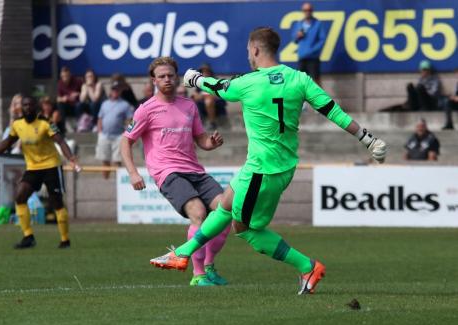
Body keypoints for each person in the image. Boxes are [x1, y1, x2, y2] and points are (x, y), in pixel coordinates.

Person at [150, 27, 387, 294]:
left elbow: (219, 86)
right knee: (225, 204)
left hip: (263, 171)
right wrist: (368, 139)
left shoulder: (249, 82)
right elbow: (333, 111)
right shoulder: (300, 79)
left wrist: (194, 79)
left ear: (255, 49)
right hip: (279, 166)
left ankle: (307, 266)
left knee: (245, 229)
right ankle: (181, 254)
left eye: (249, 51)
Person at [122, 57, 231, 286]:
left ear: (177, 77)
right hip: (167, 172)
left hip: (195, 170)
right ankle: (198, 275)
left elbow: (200, 138)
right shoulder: (146, 109)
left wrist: (211, 142)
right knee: (198, 213)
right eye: (161, 76)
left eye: (170, 75)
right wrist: (133, 172)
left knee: (226, 211)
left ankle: (209, 266)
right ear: (154, 80)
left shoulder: (189, 105)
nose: (167, 79)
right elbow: (126, 141)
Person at [0, 96, 80, 249]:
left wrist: (70, 157)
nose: (28, 107)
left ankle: (65, 240)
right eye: (25, 105)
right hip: (33, 168)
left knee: (56, 202)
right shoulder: (17, 124)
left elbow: (61, 141)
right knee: (20, 196)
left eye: (30, 104)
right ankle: (28, 237)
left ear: (36, 107)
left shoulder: (46, 123)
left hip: (51, 166)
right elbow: (7, 143)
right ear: (21, 108)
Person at [96, 80, 134, 179]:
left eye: (117, 90)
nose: (115, 92)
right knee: (105, 160)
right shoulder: (105, 103)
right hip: (104, 135)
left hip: (118, 136)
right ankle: (105, 182)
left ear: (120, 91)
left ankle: (118, 182)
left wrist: (127, 133)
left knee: (117, 160)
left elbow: (132, 121)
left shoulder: (125, 104)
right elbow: (100, 118)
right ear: (111, 90)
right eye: (113, 89)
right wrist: (99, 132)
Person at [292, 2, 326, 85]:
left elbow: (322, 40)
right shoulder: (299, 24)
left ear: (312, 11)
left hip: (313, 58)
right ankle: (303, 98)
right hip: (302, 57)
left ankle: (319, 98)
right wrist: (298, 36)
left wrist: (312, 50)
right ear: (303, 11)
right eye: (305, 10)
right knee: (301, 81)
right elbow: (294, 39)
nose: (307, 12)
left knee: (316, 81)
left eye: (309, 10)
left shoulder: (318, 24)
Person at [191, 63, 228, 130]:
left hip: (216, 105)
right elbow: (195, 96)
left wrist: (207, 96)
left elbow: (221, 95)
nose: (204, 73)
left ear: (210, 72)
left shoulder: (216, 82)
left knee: (208, 101)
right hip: (202, 105)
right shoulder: (199, 84)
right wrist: (201, 96)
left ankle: (212, 123)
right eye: (202, 72)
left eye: (206, 71)